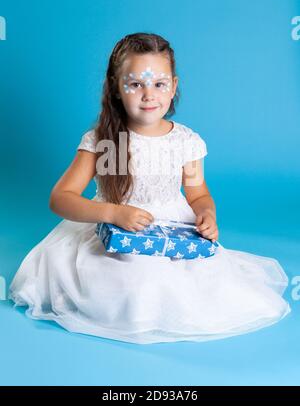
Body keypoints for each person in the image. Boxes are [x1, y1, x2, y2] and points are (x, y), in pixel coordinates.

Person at [8, 32, 291, 344]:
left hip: (173, 229)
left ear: (174, 85)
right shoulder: (102, 140)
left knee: (203, 285)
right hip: (115, 225)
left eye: (159, 83)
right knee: (132, 283)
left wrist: (207, 214)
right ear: (116, 87)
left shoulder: (185, 141)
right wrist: (113, 213)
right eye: (135, 84)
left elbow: (197, 193)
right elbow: (60, 198)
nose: (148, 95)